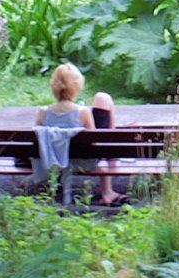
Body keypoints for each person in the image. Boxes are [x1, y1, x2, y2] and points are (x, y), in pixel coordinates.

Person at [34, 63, 128, 206]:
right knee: (103, 99)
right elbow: (93, 143)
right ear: (77, 85)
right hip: (83, 163)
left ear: (53, 85)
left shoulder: (43, 112)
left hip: (53, 162)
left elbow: (40, 139)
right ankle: (108, 191)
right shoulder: (82, 112)